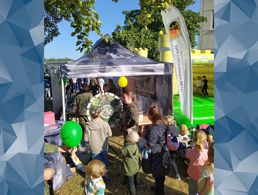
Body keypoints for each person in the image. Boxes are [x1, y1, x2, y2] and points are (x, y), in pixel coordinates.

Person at [147, 105, 167, 195]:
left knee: (158, 175)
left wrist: (143, 141)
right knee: (161, 175)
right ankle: (158, 188)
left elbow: (151, 144)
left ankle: (159, 191)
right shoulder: (163, 124)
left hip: (157, 154)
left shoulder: (155, 129)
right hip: (164, 152)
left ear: (151, 116)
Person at [85, 107, 112, 172]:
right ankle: (106, 172)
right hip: (103, 146)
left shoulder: (88, 125)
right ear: (99, 114)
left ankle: (99, 174)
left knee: (97, 162)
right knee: (105, 159)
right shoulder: (105, 123)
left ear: (90, 115)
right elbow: (110, 134)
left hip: (94, 147)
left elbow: (86, 139)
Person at [186, 130, 208, 195]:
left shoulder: (189, 152)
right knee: (202, 191)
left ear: (193, 140)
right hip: (203, 177)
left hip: (192, 175)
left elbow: (186, 156)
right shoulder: (207, 153)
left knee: (192, 191)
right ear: (205, 141)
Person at [121, 131, 141, 195]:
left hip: (129, 168)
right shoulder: (136, 146)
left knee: (131, 184)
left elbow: (121, 154)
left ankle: (133, 192)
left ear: (128, 138)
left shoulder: (126, 148)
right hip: (136, 166)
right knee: (134, 179)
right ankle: (135, 188)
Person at [164, 115, 181, 180]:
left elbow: (166, 137)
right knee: (172, 159)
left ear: (168, 122)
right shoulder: (175, 127)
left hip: (170, 146)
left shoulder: (169, 128)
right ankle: (173, 172)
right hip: (175, 145)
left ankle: (177, 174)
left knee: (171, 160)